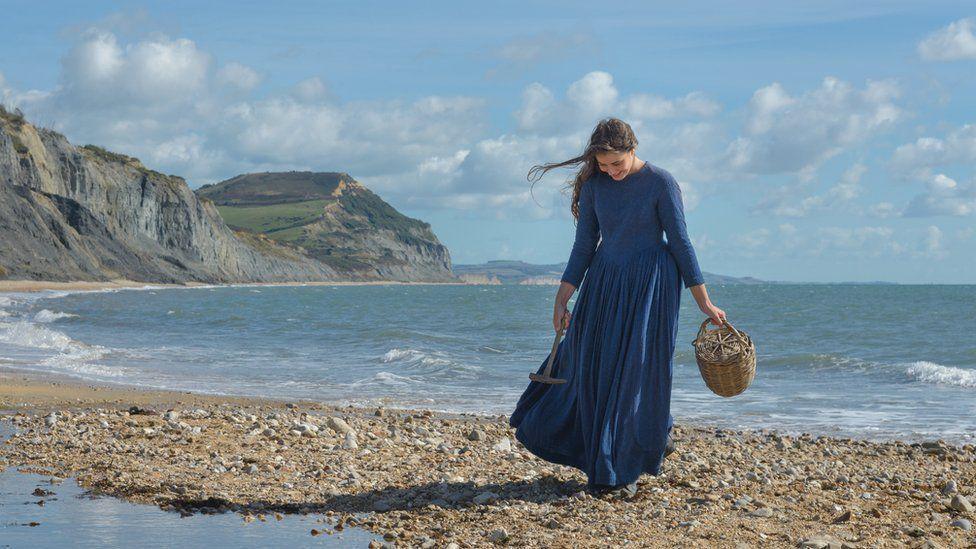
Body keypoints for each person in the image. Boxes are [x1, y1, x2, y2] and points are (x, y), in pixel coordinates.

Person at [508, 117, 726, 499]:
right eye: (604, 165)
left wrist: (702, 300)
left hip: (651, 285)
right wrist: (562, 298)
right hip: (605, 281)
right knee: (591, 366)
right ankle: (640, 441)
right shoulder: (594, 186)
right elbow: (584, 246)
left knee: (635, 372)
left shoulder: (662, 183)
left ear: (633, 149)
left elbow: (680, 242)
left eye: (617, 164)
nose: (611, 172)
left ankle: (620, 470)